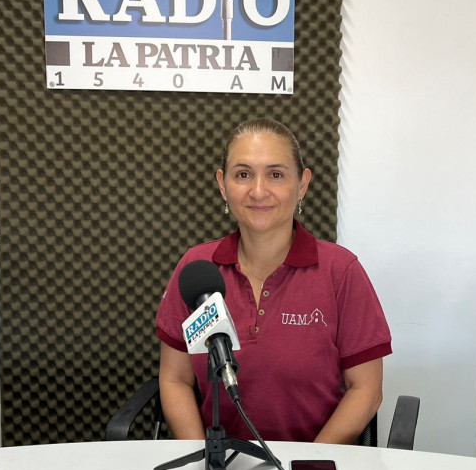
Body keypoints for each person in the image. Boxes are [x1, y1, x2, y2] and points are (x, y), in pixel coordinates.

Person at [155, 118, 391, 443]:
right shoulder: (197, 269)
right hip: (223, 465)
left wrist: (309, 466)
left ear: (302, 184)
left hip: (311, 468)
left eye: (276, 175)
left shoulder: (341, 271)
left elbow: (366, 389)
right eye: (243, 175)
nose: (258, 191)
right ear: (223, 185)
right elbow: (175, 379)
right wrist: (203, 460)